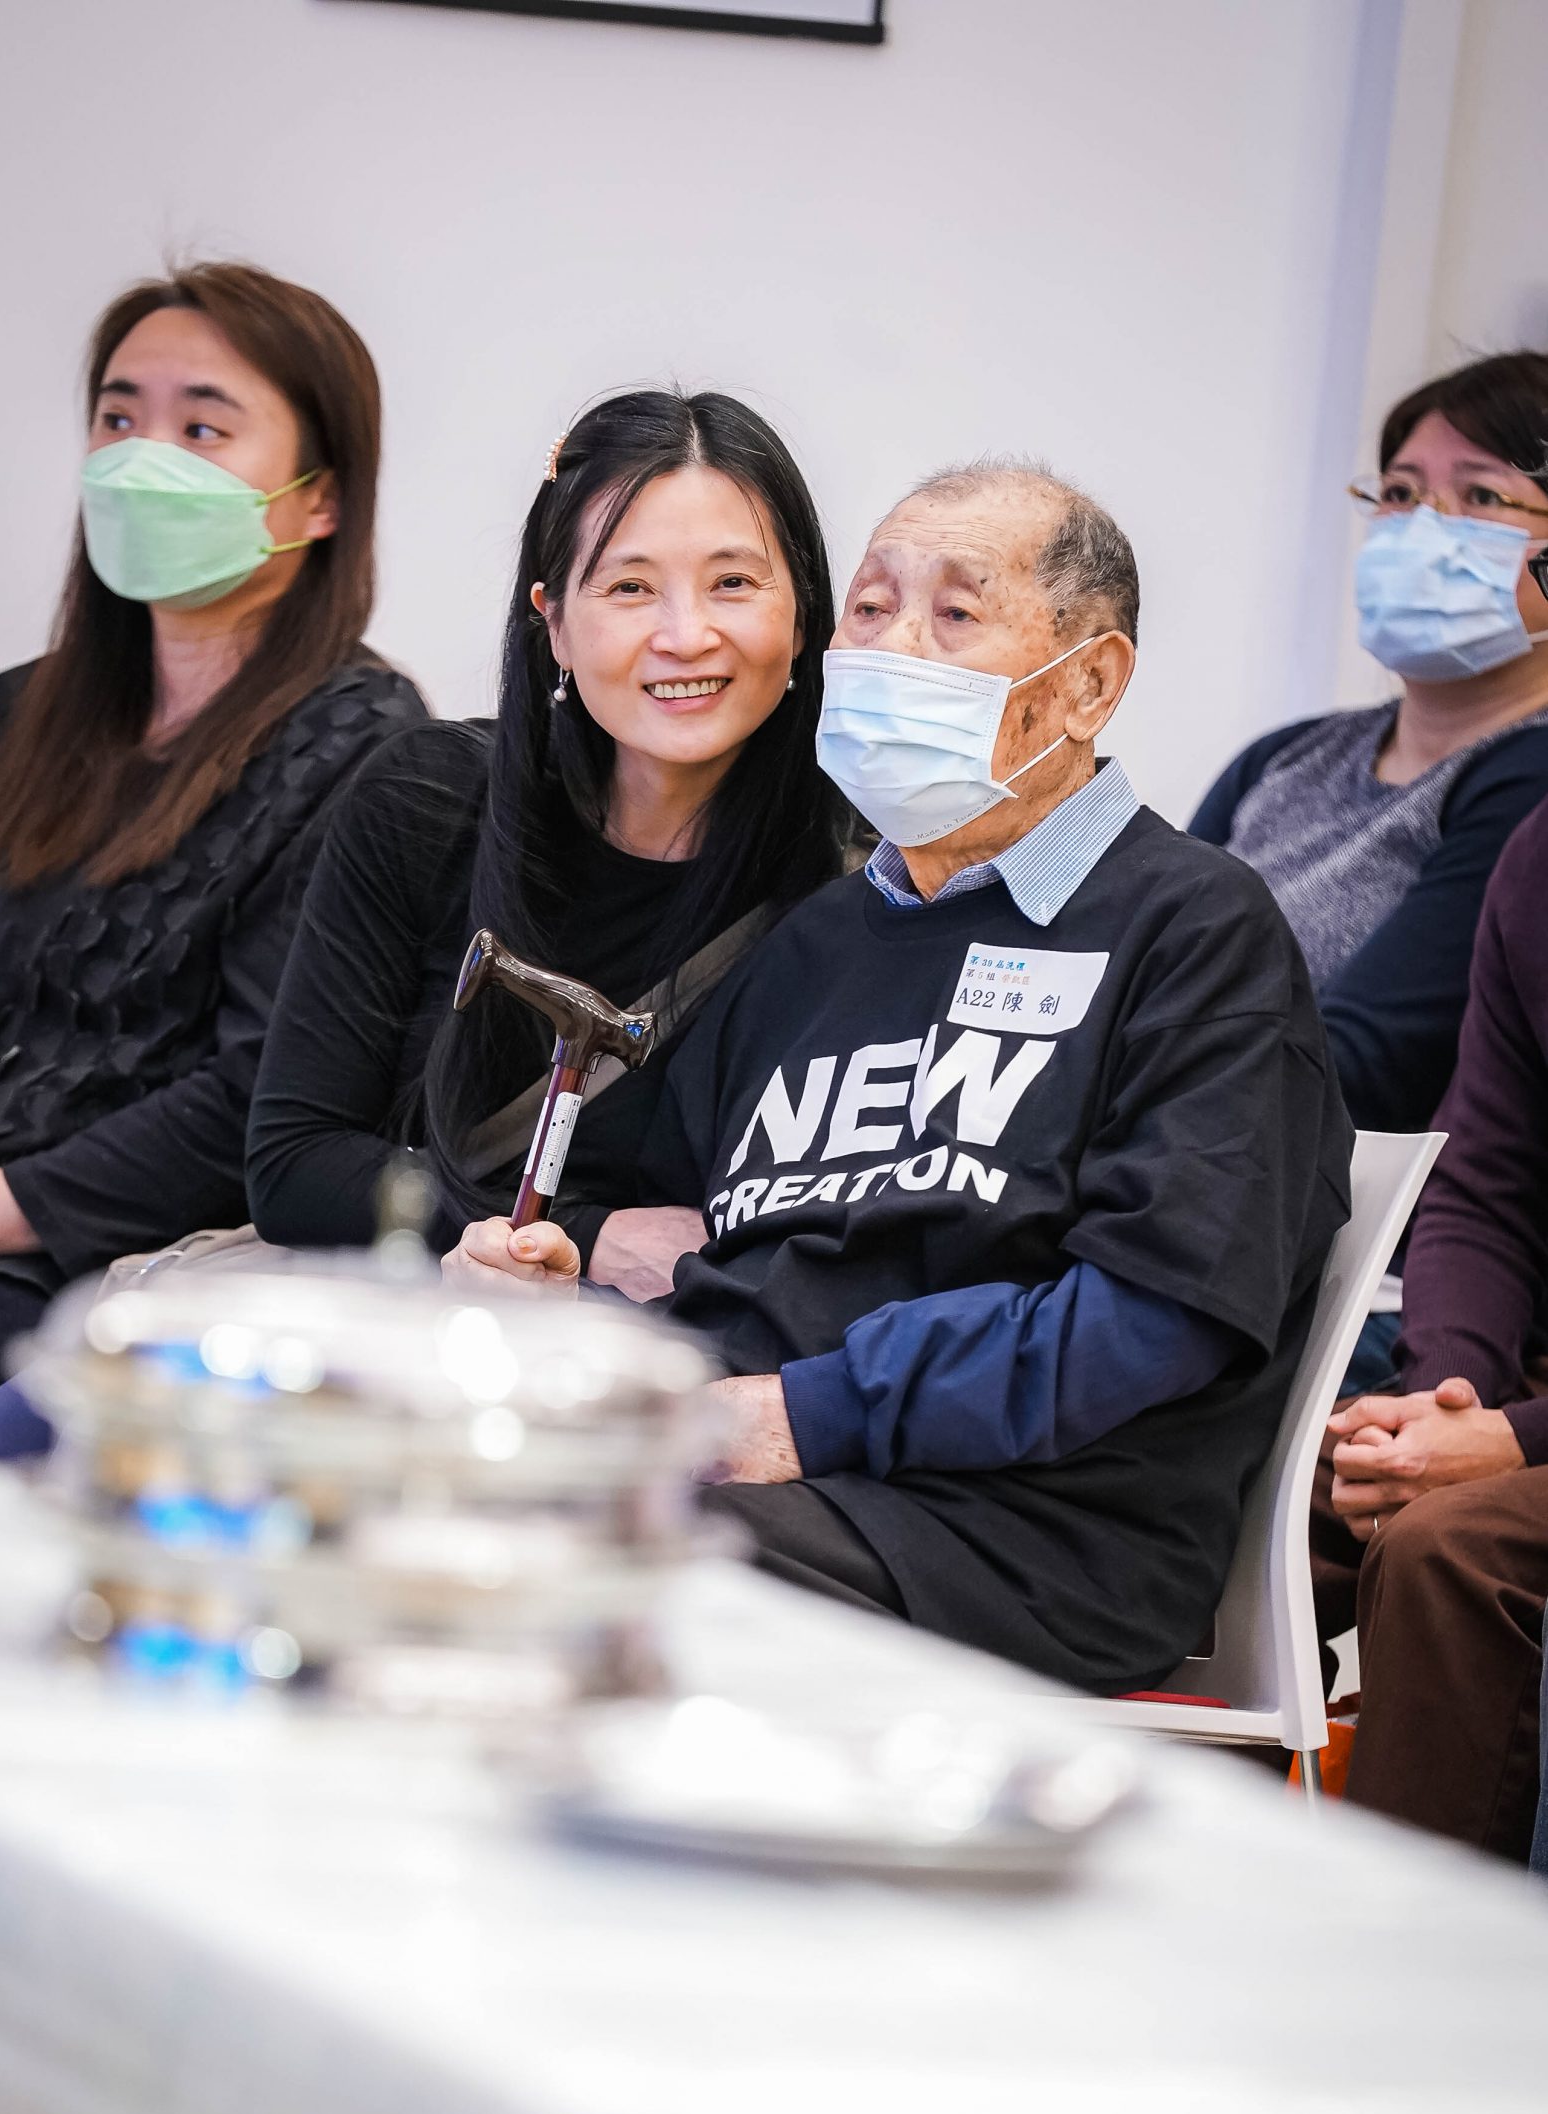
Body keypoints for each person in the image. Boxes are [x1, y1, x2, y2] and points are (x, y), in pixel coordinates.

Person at [446, 463, 1353, 1693]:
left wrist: (805, 1414)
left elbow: (1157, 1318)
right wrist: (572, 1304)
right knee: (369, 1493)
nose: (893, 647)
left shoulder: (1192, 931)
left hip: (1015, 1531)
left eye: (956, 613)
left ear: (1089, 684)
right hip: (760, 1475)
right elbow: (701, 1255)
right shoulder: (812, 944)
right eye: (871, 608)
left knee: (546, 1562)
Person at [0, 262, 424, 1454]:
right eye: (117, 417)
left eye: (202, 427)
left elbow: (252, 1100)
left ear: (319, 499)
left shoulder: (368, 747)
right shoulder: (6, 716)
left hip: (66, 1274)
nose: (140, 459)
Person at [244, 388, 846, 1268]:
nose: (686, 636)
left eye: (733, 583)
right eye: (631, 587)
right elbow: (295, 1166)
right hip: (415, 1317)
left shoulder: (860, 877)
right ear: (554, 620)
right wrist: (585, 1238)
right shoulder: (426, 802)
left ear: (800, 616)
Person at [1195, 351, 1548, 1146]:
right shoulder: (1283, 758)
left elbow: (1364, 1067)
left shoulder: (1530, 781)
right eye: (1399, 493)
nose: (1421, 525)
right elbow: (1120, 975)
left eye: (1481, 495)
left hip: (1328, 1198)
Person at [1315, 790, 1548, 1861]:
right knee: (1239, 1483)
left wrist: (1511, 1442)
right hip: (1517, 1388)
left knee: (1447, 1548)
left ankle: (1411, 1958)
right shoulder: (1539, 856)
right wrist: (1444, 1401)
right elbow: (1484, 1183)